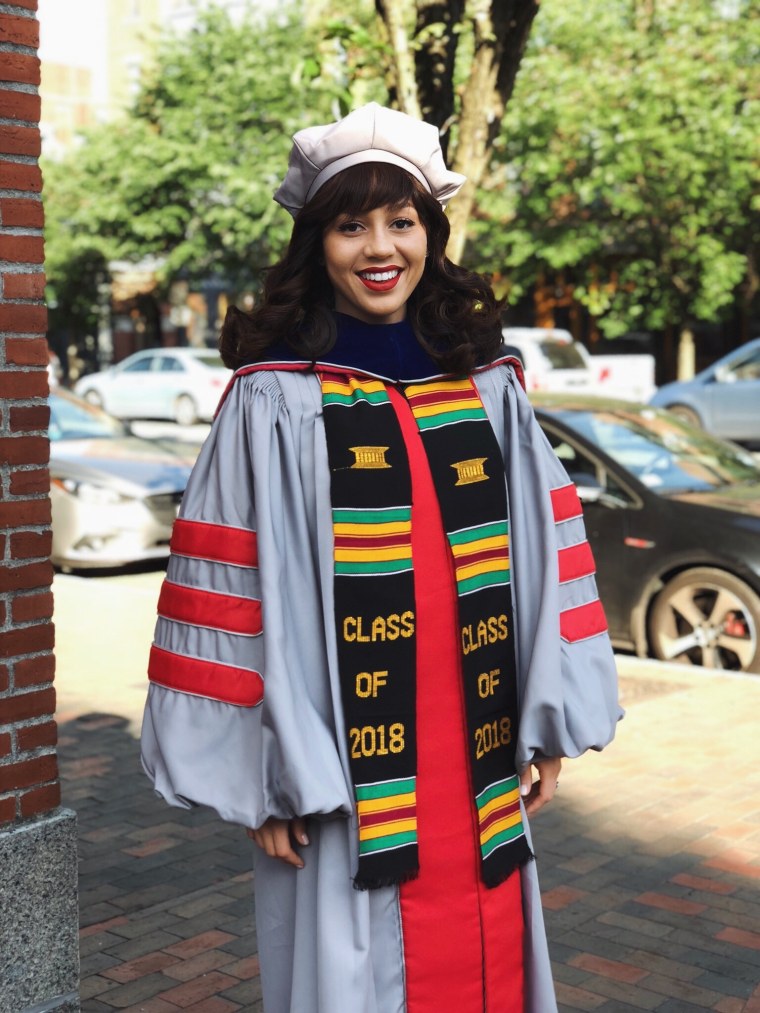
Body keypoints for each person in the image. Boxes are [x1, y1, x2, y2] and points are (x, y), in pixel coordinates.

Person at [141, 103, 622, 1013]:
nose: (379, 246)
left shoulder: (483, 382)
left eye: (400, 221)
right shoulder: (272, 399)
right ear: (315, 242)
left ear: (430, 235)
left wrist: (550, 719)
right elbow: (229, 591)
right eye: (349, 223)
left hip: (476, 746)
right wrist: (265, 776)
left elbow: (549, 558)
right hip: (342, 765)